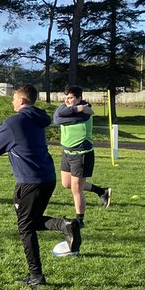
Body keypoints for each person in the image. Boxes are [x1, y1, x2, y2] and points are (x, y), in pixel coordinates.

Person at [0, 84, 80, 286]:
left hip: (29, 182)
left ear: (21, 100)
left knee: (25, 228)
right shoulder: (35, 118)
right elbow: (7, 133)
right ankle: (65, 226)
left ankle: (36, 276)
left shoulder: (15, 121)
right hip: (47, 178)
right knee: (31, 222)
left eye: (13, 99)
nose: (12, 102)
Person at [52, 85, 112, 228]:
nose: (67, 100)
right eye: (65, 97)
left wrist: (73, 111)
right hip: (67, 152)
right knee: (67, 184)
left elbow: (58, 119)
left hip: (81, 154)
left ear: (79, 98)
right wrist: (75, 108)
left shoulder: (86, 111)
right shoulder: (75, 109)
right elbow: (56, 118)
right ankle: (102, 191)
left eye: (71, 98)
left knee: (76, 189)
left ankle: (80, 221)